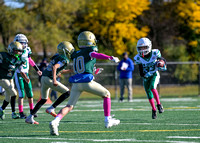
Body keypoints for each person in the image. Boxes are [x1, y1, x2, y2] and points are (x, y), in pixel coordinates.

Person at [49, 31, 120, 136]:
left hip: (76, 83)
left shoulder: (75, 54)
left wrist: (94, 71)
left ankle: (55, 121)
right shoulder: (90, 50)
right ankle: (107, 120)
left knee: (69, 106)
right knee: (107, 94)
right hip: (87, 82)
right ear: (90, 40)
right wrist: (110, 57)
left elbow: (82, 67)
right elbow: (95, 54)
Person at [25, 41, 74, 124]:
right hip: (49, 79)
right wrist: (54, 80)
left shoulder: (57, 56)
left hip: (44, 77)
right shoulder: (64, 59)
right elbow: (55, 67)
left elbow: (60, 70)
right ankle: (52, 108)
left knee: (43, 99)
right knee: (67, 92)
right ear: (65, 50)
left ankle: (30, 117)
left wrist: (71, 70)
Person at [134, 37, 167, 119]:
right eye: (140, 48)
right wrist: (143, 75)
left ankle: (159, 104)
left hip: (154, 74)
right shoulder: (138, 57)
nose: (142, 49)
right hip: (146, 76)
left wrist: (162, 63)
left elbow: (162, 60)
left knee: (152, 87)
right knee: (149, 94)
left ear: (149, 46)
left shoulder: (155, 53)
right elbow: (140, 69)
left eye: (144, 47)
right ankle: (154, 109)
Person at [13, 34, 42, 119]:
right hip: (19, 74)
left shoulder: (27, 50)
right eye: (21, 42)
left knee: (30, 93)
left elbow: (29, 60)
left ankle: (32, 111)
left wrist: (37, 69)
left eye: (24, 42)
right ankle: (21, 112)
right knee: (21, 94)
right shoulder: (16, 52)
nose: (23, 44)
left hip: (26, 73)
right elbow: (19, 67)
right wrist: (25, 77)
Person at [0, 42, 29, 120]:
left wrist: (25, 77)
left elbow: (20, 70)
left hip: (10, 79)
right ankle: (13, 113)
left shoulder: (18, 60)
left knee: (8, 97)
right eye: (16, 50)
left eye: (19, 51)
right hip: (2, 78)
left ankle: (1, 109)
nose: (18, 52)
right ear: (10, 50)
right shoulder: (3, 56)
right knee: (14, 93)